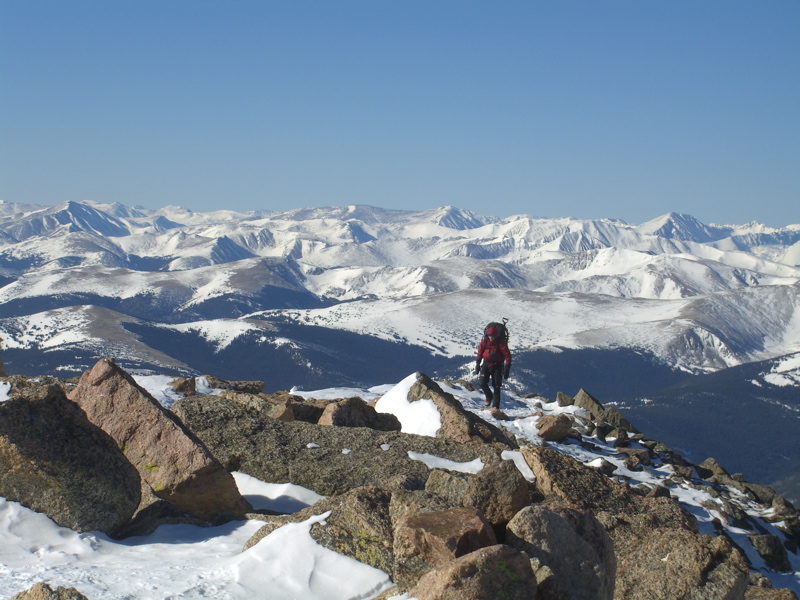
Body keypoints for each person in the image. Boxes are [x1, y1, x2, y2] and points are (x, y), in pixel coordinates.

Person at [475, 324, 512, 408]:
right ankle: (489, 396)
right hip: (486, 363)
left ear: (496, 335)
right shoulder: (484, 342)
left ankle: (495, 407)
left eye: (492, 336)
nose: (491, 337)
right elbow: (480, 352)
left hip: (497, 365)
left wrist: (507, 368)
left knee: (497, 386)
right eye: (489, 335)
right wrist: (478, 363)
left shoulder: (500, 343)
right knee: (482, 383)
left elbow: (507, 355)